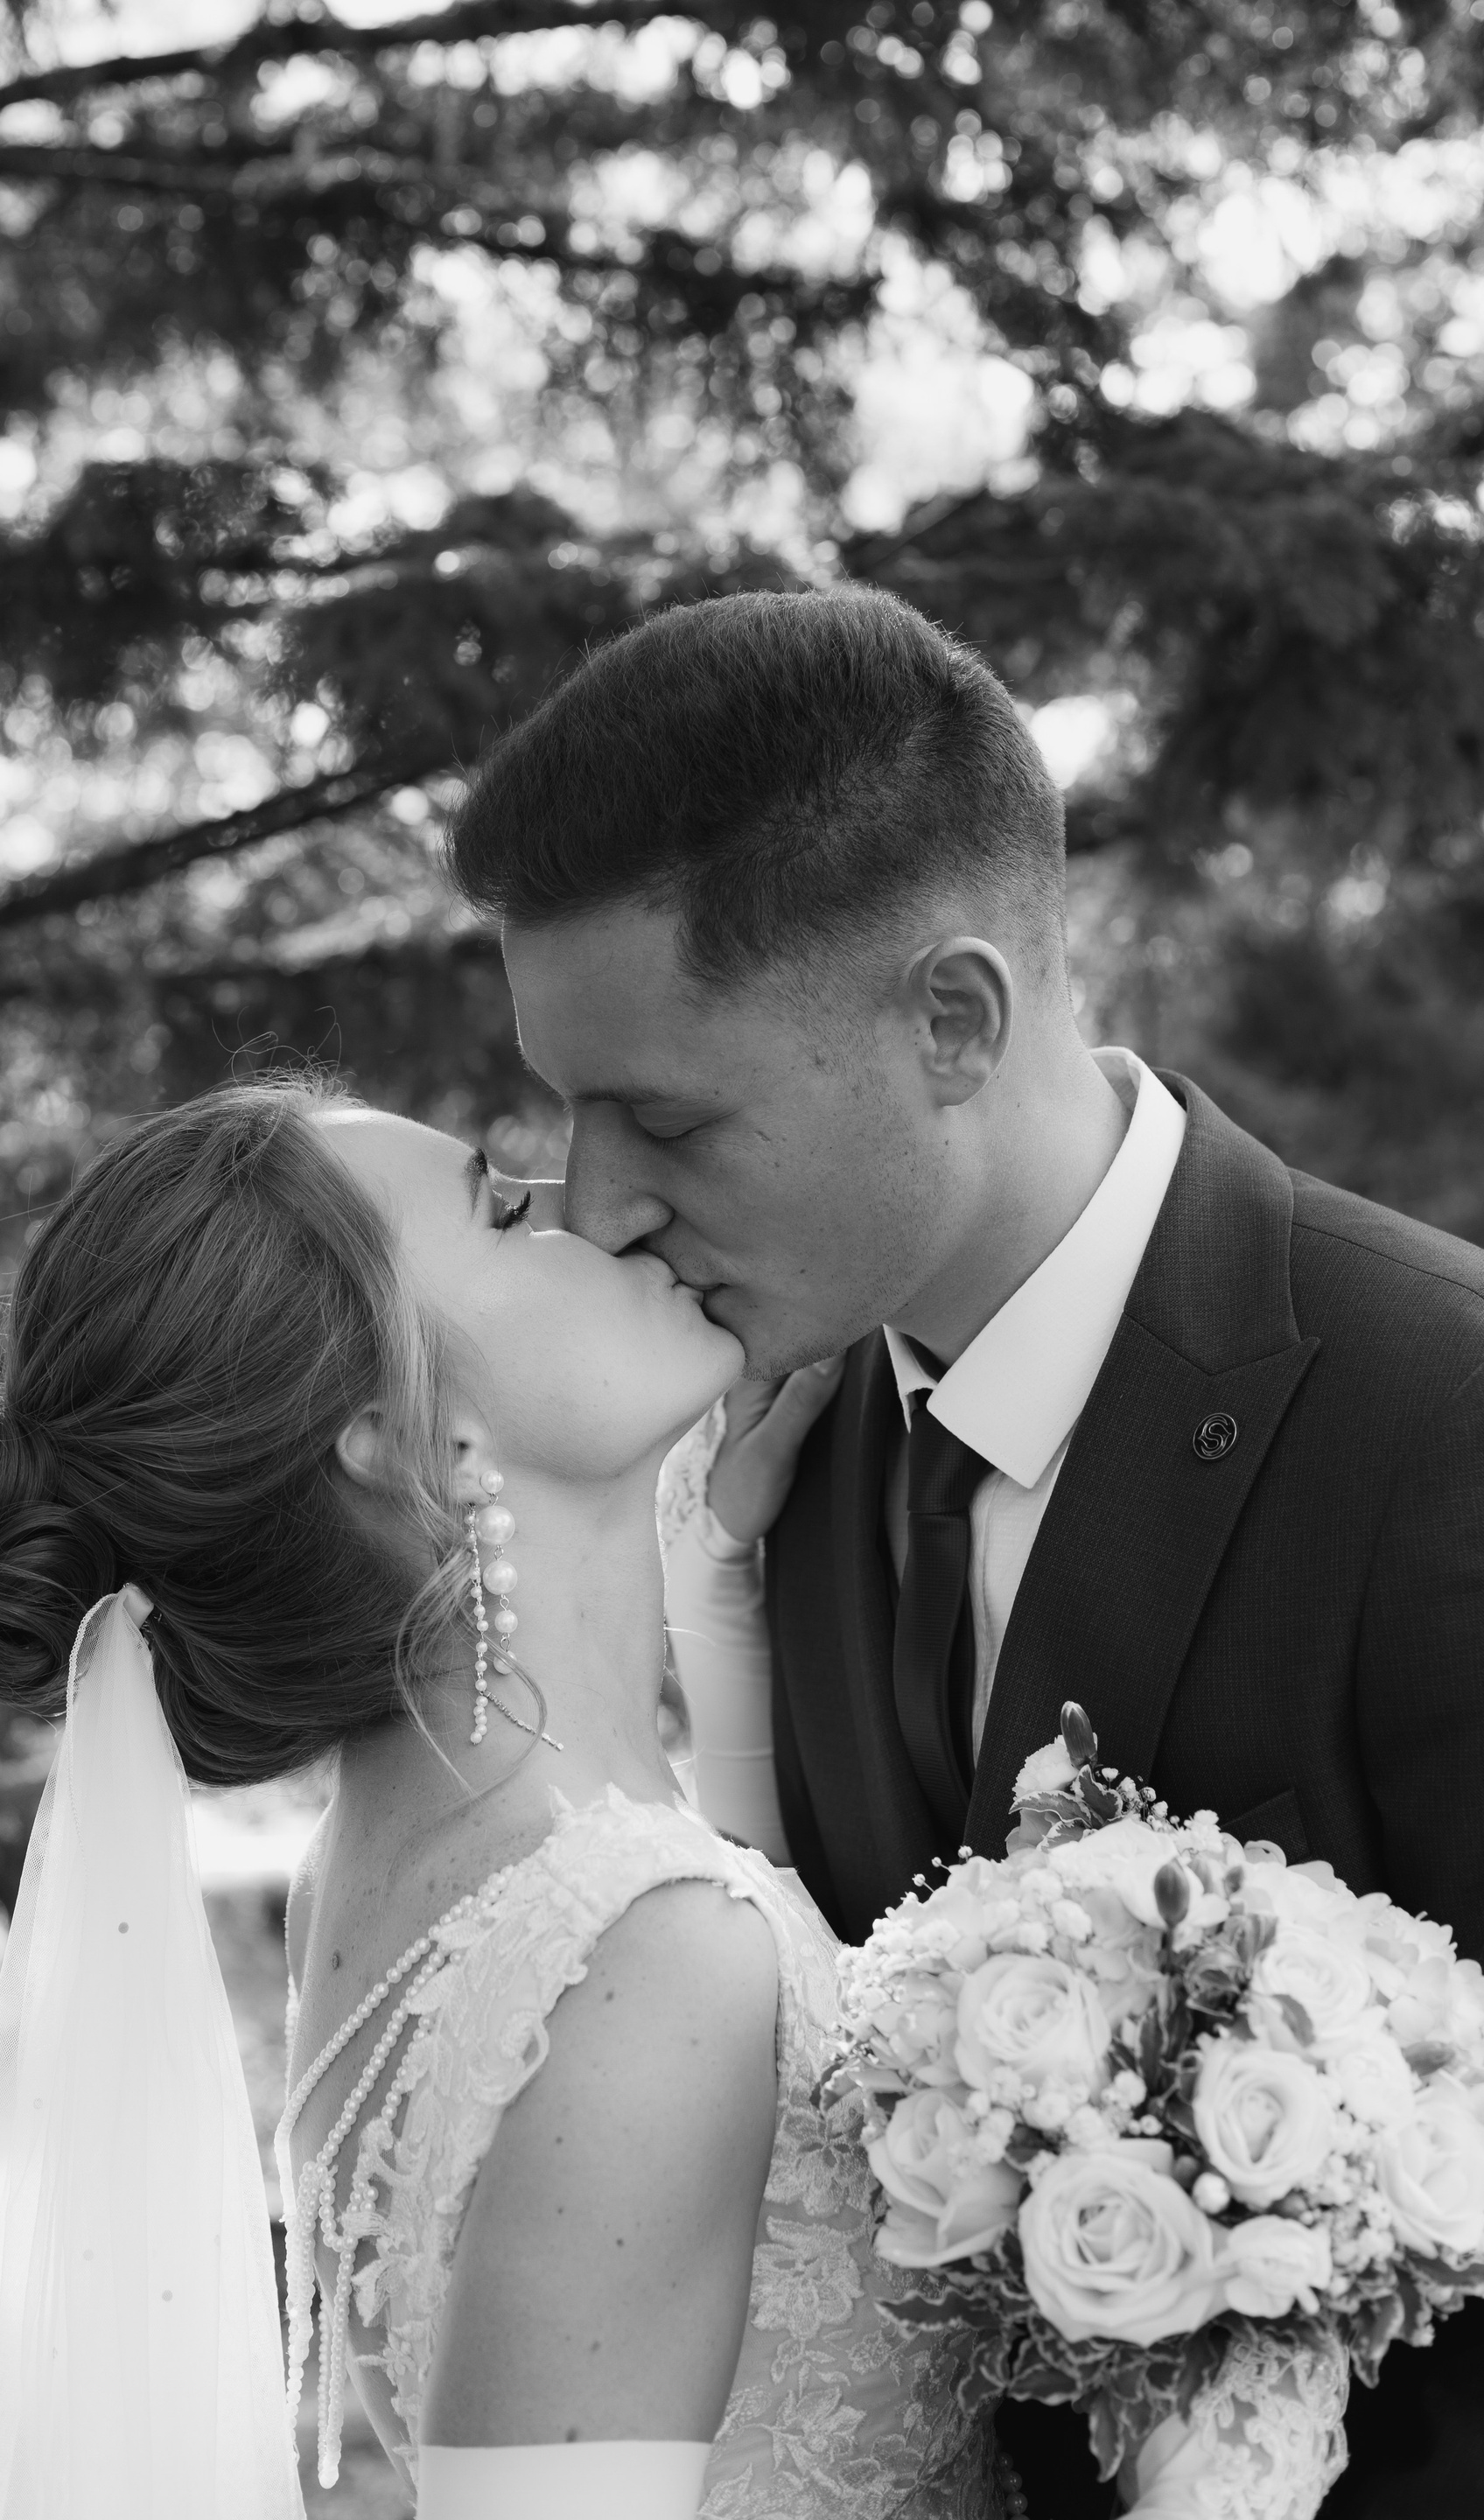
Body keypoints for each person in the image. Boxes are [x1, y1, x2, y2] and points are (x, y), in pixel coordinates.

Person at [0, 1082, 1340, 2519]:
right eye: (498, 1211)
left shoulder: (408, 1869)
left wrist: (713, 1574)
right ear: (393, 1433)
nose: (584, 1206)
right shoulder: (643, 1955)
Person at [447, 585, 1484, 2520]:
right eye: (565, 1112)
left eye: (662, 1117)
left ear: (954, 1019)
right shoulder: (771, 1454)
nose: (596, 1205)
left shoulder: (1442, 1417)